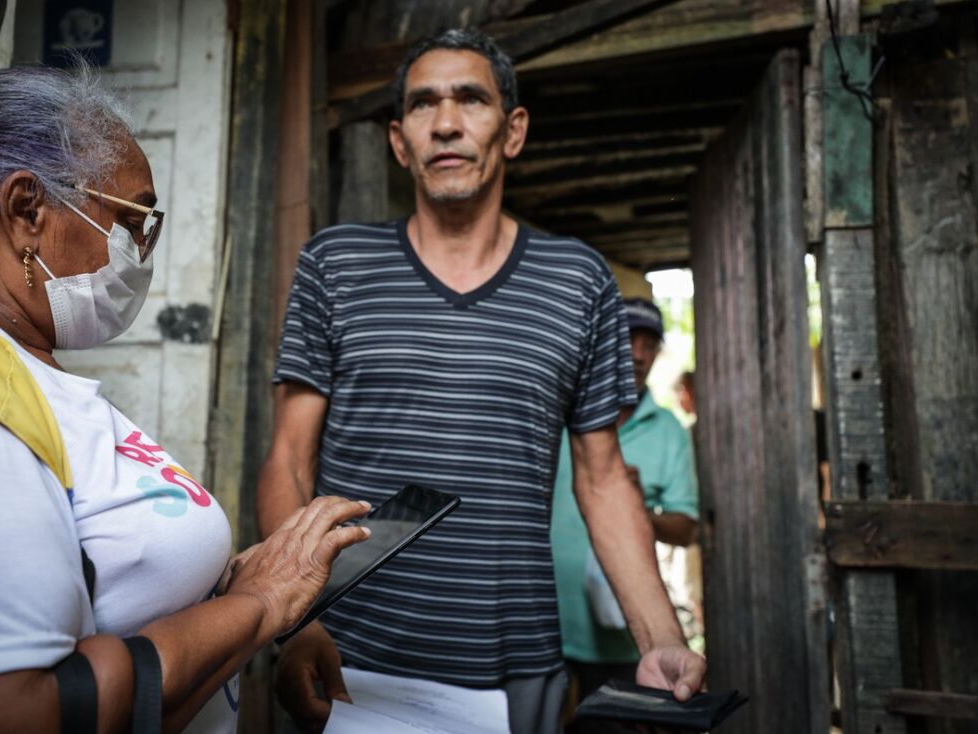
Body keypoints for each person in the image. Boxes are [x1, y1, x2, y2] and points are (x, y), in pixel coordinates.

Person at [0, 65, 372, 733]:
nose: (141, 252)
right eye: (133, 220)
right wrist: (259, 605)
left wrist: (233, 587)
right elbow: (2, 716)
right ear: (28, 212)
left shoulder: (9, 360)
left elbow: (108, 577)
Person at [258, 29, 706, 734]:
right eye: (423, 105)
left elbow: (602, 477)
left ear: (513, 129)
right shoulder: (335, 264)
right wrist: (294, 624)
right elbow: (288, 458)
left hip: (514, 668)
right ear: (399, 140)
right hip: (344, 656)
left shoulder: (578, 281)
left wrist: (661, 641)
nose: (446, 122)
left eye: (471, 99)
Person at [551, 298, 700, 701]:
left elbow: (687, 528)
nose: (637, 354)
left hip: (618, 635)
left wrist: (631, 509)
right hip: (542, 625)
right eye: (627, 339)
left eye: (649, 344)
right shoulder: (558, 415)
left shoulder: (667, 429)